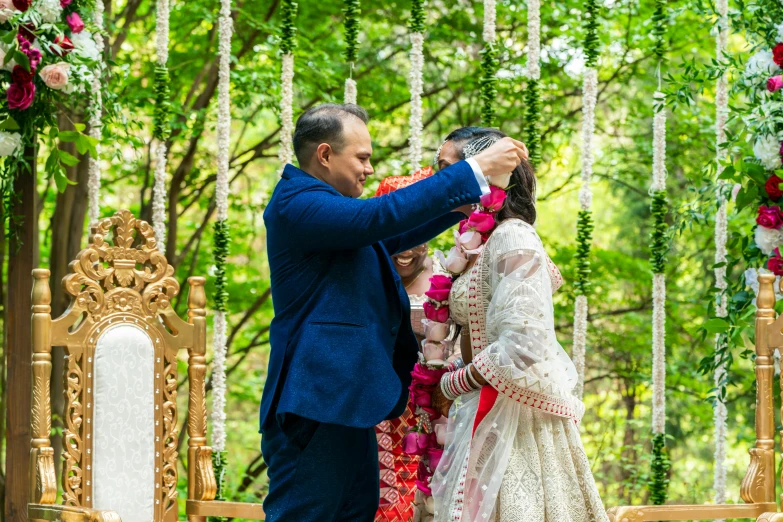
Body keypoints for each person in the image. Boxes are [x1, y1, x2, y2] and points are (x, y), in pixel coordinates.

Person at [259, 104, 528, 522]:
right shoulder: (296, 204)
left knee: (356, 512)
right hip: (315, 404)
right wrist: (474, 169)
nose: (369, 170)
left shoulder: (335, 219)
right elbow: (376, 218)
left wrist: (457, 206)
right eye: (362, 157)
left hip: (346, 402)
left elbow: (391, 232)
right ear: (326, 155)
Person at [430, 127, 608, 522]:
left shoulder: (514, 237)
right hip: (483, 406)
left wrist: (453, 383)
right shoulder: (475, 244)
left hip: (519, 421)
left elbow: (525, 343)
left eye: (445, 169)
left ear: (484, 172)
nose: (436, 180)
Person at [373, 168, 460, 522]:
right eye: (396, 233)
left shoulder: (450, 275)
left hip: (437, 414)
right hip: (379, 416)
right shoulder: (369, 274)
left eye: (417, 233)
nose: (406, 248)